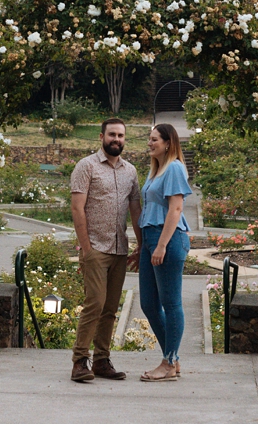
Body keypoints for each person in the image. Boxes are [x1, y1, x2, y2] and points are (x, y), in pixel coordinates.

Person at [68, 118, 142, 382]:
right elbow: (77, 208)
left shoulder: (130, 171)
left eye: (121, 135)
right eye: (112, 134)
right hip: (96, 248)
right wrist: (86, 248)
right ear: (101, 136)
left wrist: (141, 245)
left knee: (110, 308)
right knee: (95, 304)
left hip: (120, 249)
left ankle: (101, 360)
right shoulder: (86, 166)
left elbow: (136, 210)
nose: (116, 139)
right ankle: (80, 361)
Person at [138, 123, 192, 382]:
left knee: (171, 303)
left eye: (154, 139)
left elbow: (176, 209)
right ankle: (173, 358)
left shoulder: (174, 168)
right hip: (150, 239)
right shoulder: (156, 170)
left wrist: (161, 245)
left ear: (168, 142)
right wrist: (144, 244)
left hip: (167, 240)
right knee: (149, 304)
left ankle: (169, 362)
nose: (150, 143)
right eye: (149, 139)